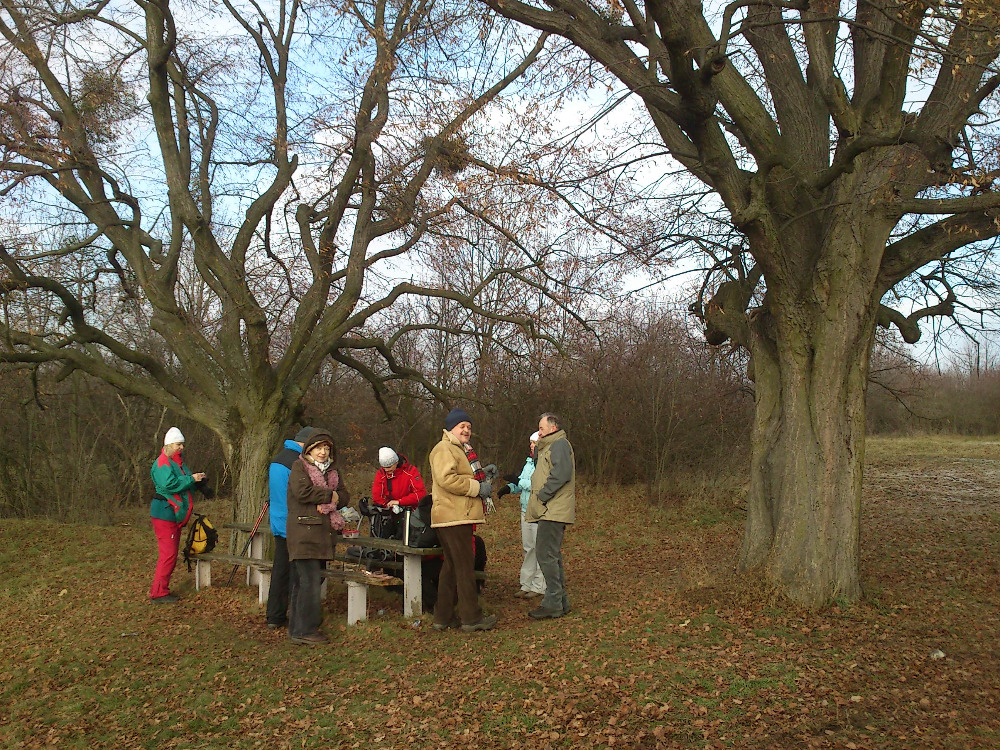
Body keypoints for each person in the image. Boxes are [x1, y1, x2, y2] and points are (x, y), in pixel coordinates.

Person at [428, 407, 497, 632]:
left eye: (469, 427)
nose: (466, 430)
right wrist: (478, 487)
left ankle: (443, 617)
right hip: (453, 516)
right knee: (465, 567)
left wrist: (484, 473)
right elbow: (448, 479)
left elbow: (463, 474)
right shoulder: (443, 448)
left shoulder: (461, 450)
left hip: (457, 515)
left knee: (451, 567)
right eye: (462, 426)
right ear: (451, 428)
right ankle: (471, 618)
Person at [286, 429, 350, 646]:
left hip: (322, 535)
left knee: (305, 582)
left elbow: (345, 495)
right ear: (310, 449)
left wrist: (334, 497)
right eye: (319, 447)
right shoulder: (299, 467)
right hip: (304, 533)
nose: (323, 452)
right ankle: (306, 629)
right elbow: (301, 492)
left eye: (326, 448)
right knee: (308, 582)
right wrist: (329, 495)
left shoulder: (332, 470)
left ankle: (297, 628)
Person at [525, 412, 575, 619]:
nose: (539, 431)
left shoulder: (560, 445)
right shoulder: (550, 447)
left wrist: (543, 495)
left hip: (554, 509)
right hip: (551, 508)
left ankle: (552, 602)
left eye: (542, 428)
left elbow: (561, 473)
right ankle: (560, 602)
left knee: (545, 555)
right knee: (551, 555)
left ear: (553, 428)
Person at [149, 427, 207, 603]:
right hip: (164, 513)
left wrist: (200, 483)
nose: (181, 447)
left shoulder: (177, 463)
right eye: (177, 444)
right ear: (169, 444)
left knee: (170, 553)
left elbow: (186, 479)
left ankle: (160, 590)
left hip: (172, 514)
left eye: (182, 444)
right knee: (168, 554)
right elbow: (170, 484)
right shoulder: (162, 463)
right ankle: (158, 593)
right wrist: (192, 479)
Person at [265, 426, 313, 629]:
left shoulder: (278, 458)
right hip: (293, 522)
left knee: (280, 570)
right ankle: (297, 618)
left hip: (277, 520)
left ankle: (274, 615)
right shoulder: (297, 462)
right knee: (297, 572)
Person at [498, 431, 545, 599]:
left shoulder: (544, 462)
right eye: (530, 443)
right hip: (525, 510)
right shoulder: (528, 463)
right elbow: (522, 483)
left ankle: (539, 586)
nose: (531, 446)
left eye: (533, 442)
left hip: (539, 511)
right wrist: (510, 488)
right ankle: (526, 583)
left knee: (540, 549)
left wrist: (518, 481)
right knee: (528, 548)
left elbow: (536, 485)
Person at [372, 447, 427, 511]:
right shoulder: (381, 474)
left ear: (396, 462)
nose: (386, 470)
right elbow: (377, 497)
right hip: (389, 511)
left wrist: (400, 502)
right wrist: (388, 505)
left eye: (389, 467)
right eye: (384, 467)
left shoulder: (410, 471)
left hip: (411, 510)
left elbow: (420, 494)